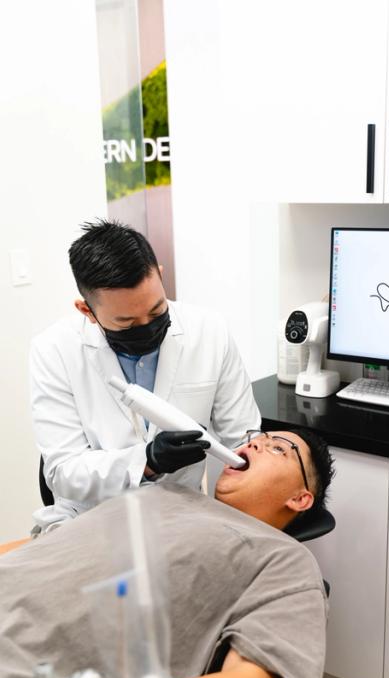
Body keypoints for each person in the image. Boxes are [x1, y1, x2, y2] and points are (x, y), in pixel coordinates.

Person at [0, 428, 334, 678]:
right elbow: (45, 546)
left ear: (300, 498)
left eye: (279, 448)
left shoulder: (284, 559)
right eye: (256, 437)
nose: (256, 443)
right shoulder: (160, 493)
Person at [30, 220, 260, 533]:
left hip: (185, 520)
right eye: (126, 323)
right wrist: (147, 460)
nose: (147, 327)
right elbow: (62, 471)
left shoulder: (210, 331)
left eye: (156, 311)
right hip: (93, 524)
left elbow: (243, 438)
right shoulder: (53, 350)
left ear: (161, 276)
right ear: (86, 311)